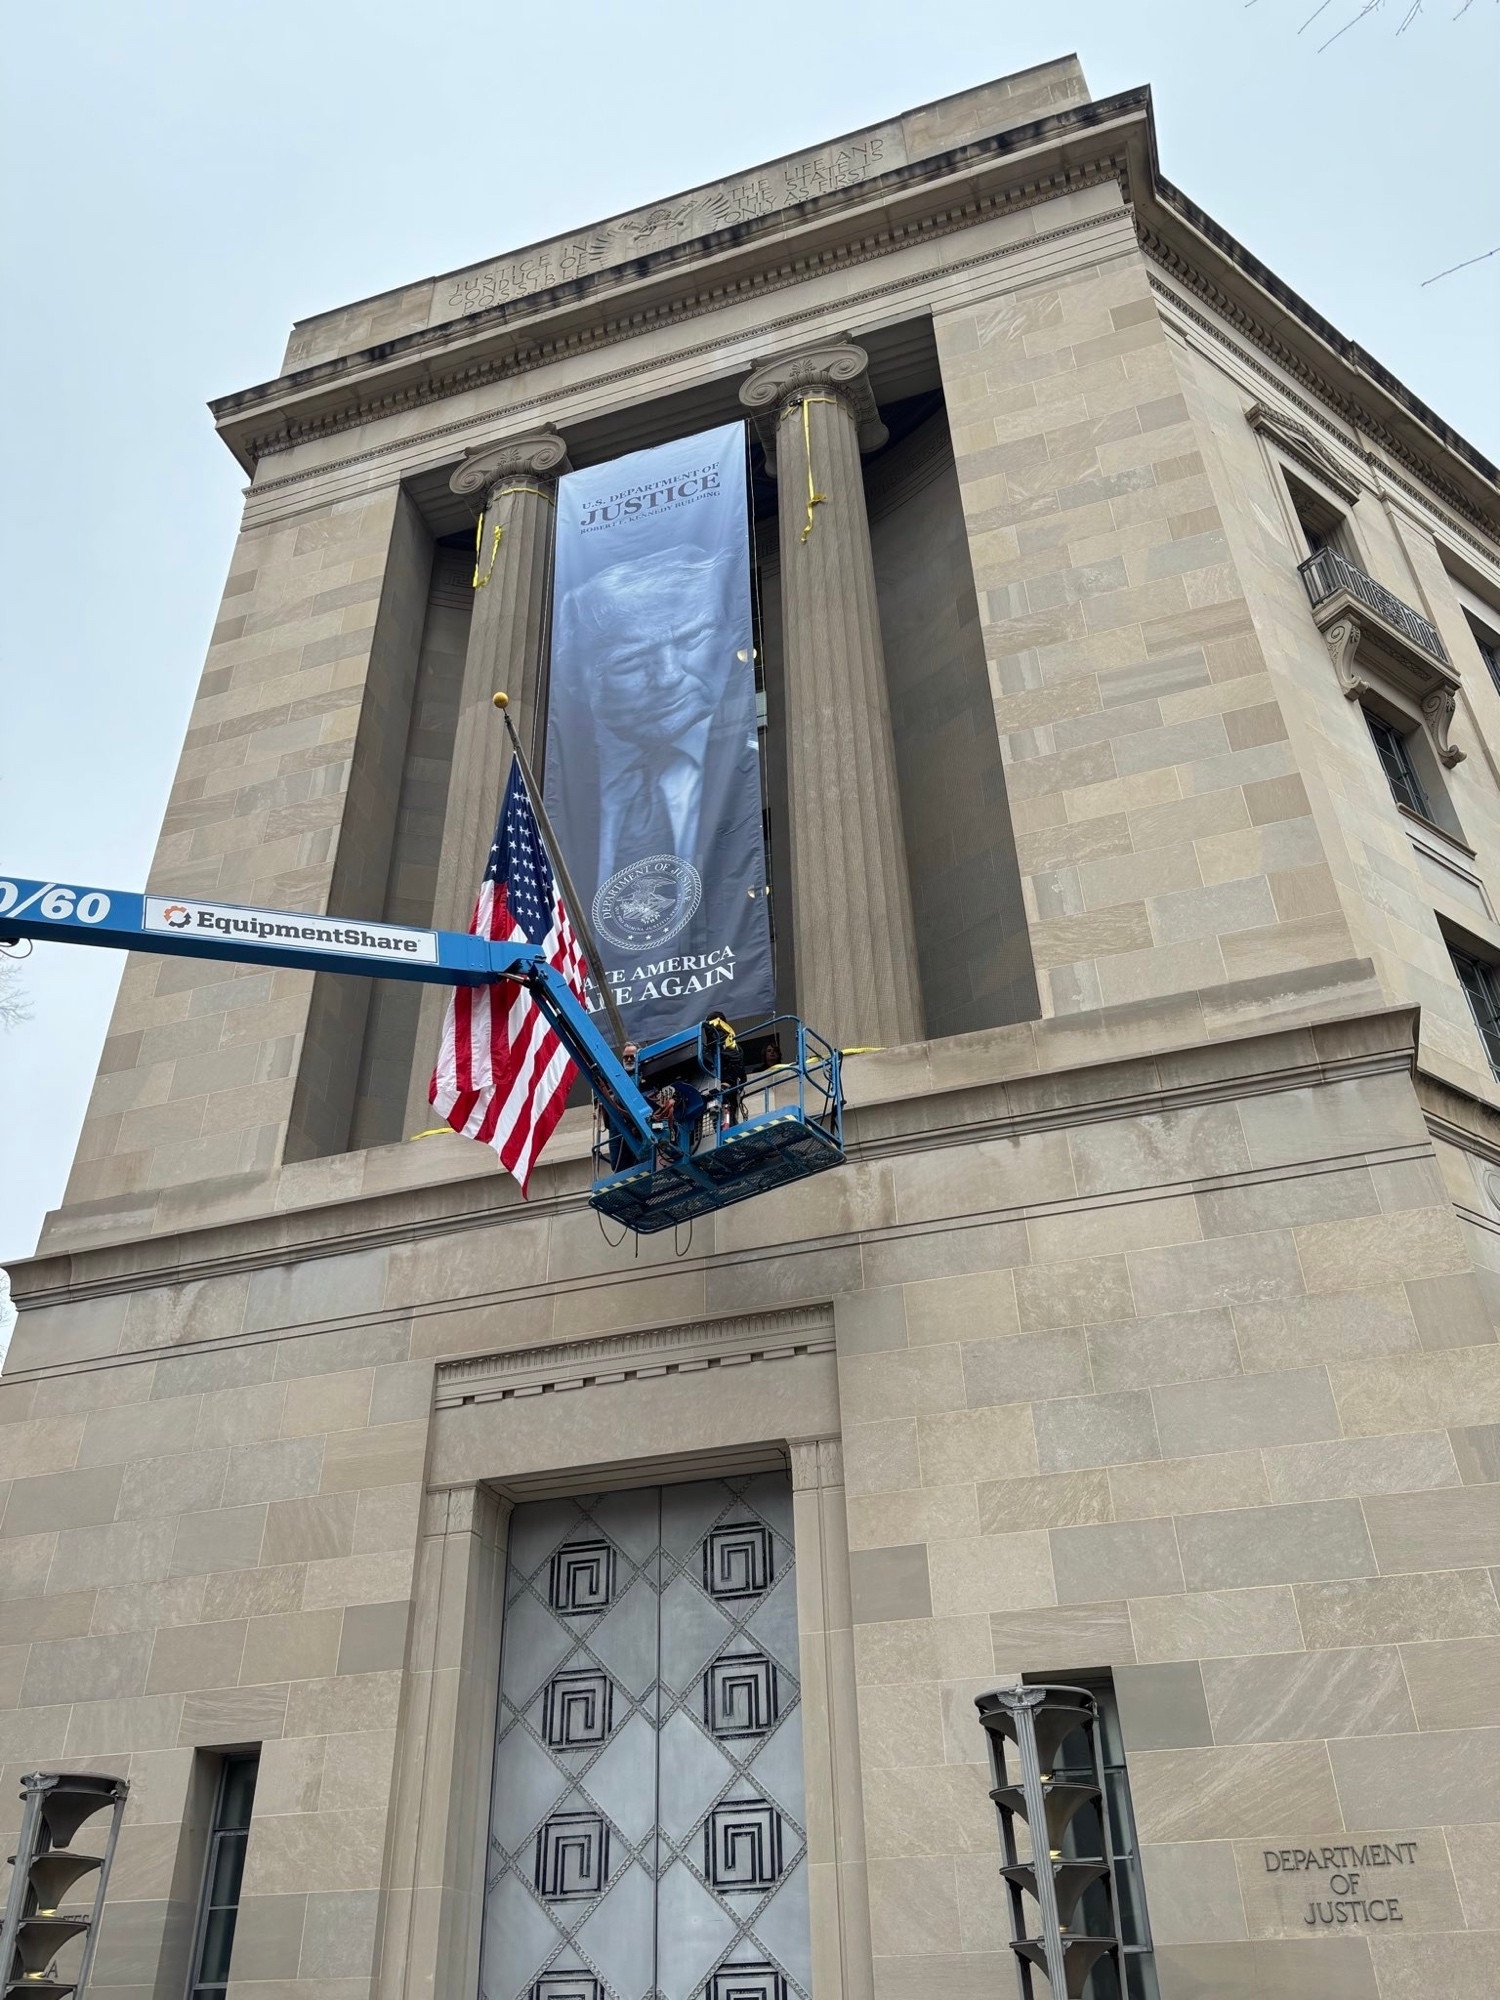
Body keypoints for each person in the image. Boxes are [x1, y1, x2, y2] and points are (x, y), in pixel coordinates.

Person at [702, 1013, 747, 1128]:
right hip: (726, 1089)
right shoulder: (732, 1044)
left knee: (723, 1122)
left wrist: (728, 1082)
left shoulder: (718, 1041)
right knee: (724, 1120)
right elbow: (743, 1076)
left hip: (724, 1089)